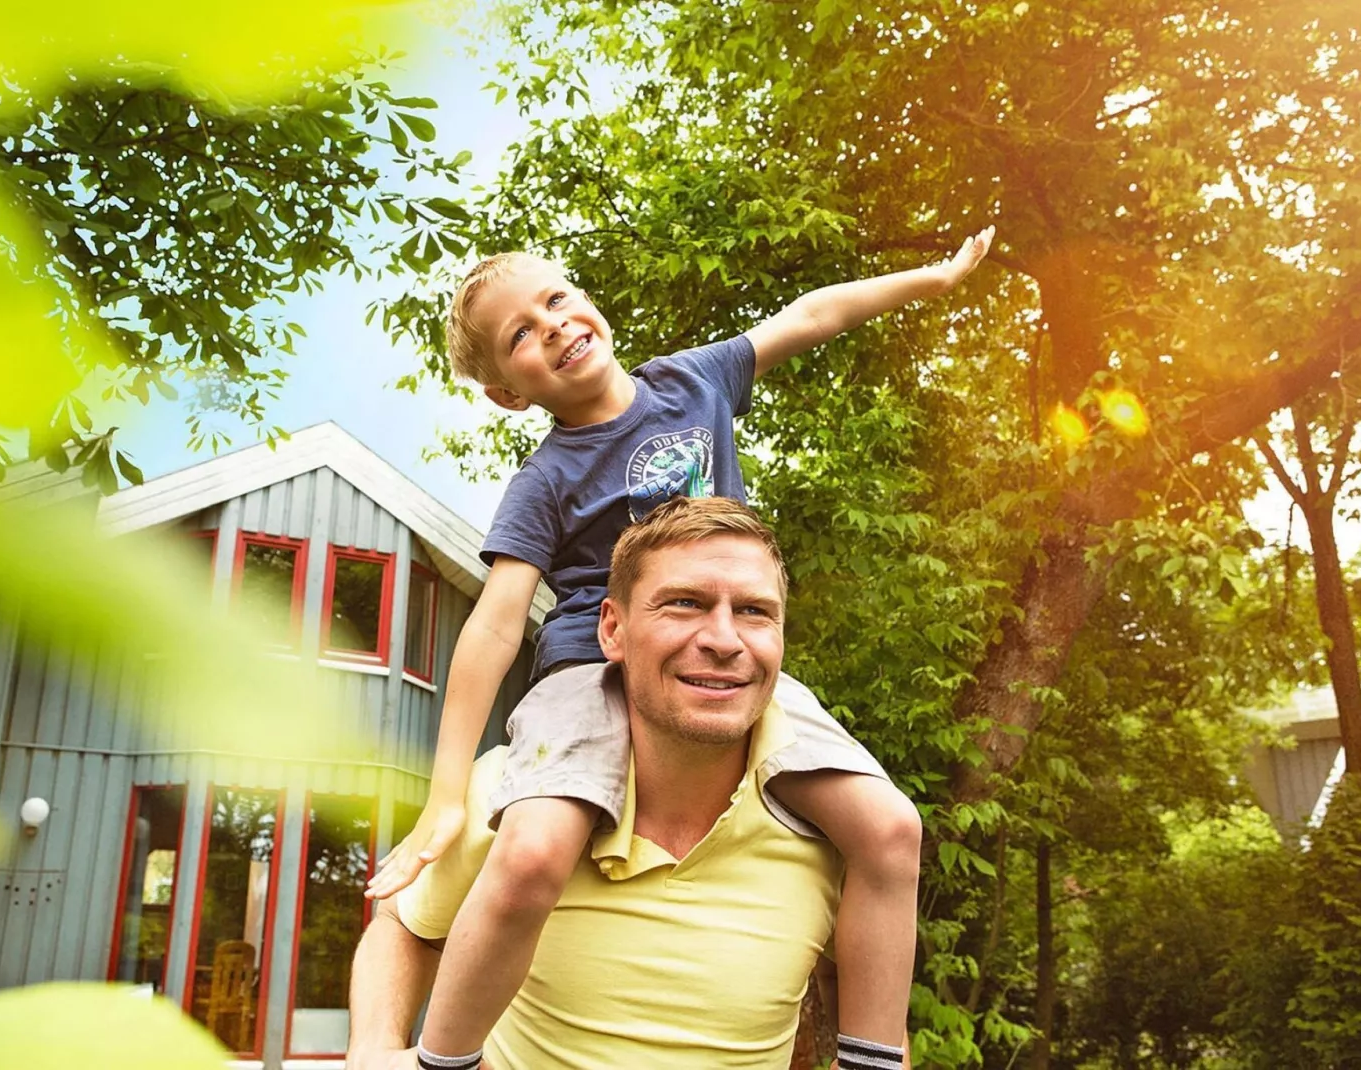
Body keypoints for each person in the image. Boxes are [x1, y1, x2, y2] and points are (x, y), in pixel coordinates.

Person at [366, 229, 994, 1070]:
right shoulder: (547, 478)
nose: (549, 326)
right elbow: (494, 622)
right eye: (519, 334)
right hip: (589, 670)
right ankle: (444, 1060)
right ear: (505, 394)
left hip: (717, 649)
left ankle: (874, 1059)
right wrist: (447, 796)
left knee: (888, 827)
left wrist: (935, 277)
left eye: (554, 299)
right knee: (533, 850)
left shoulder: (692, 380)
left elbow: (811, 314)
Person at [348, 497, 919, 1068]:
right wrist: (372, 1052)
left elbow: (866, 1004)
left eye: (753, 611)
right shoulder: (518, 792)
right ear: (613, 630)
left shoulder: (834, 828)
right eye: (684, 604)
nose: (724, 639)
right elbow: (405, 924)